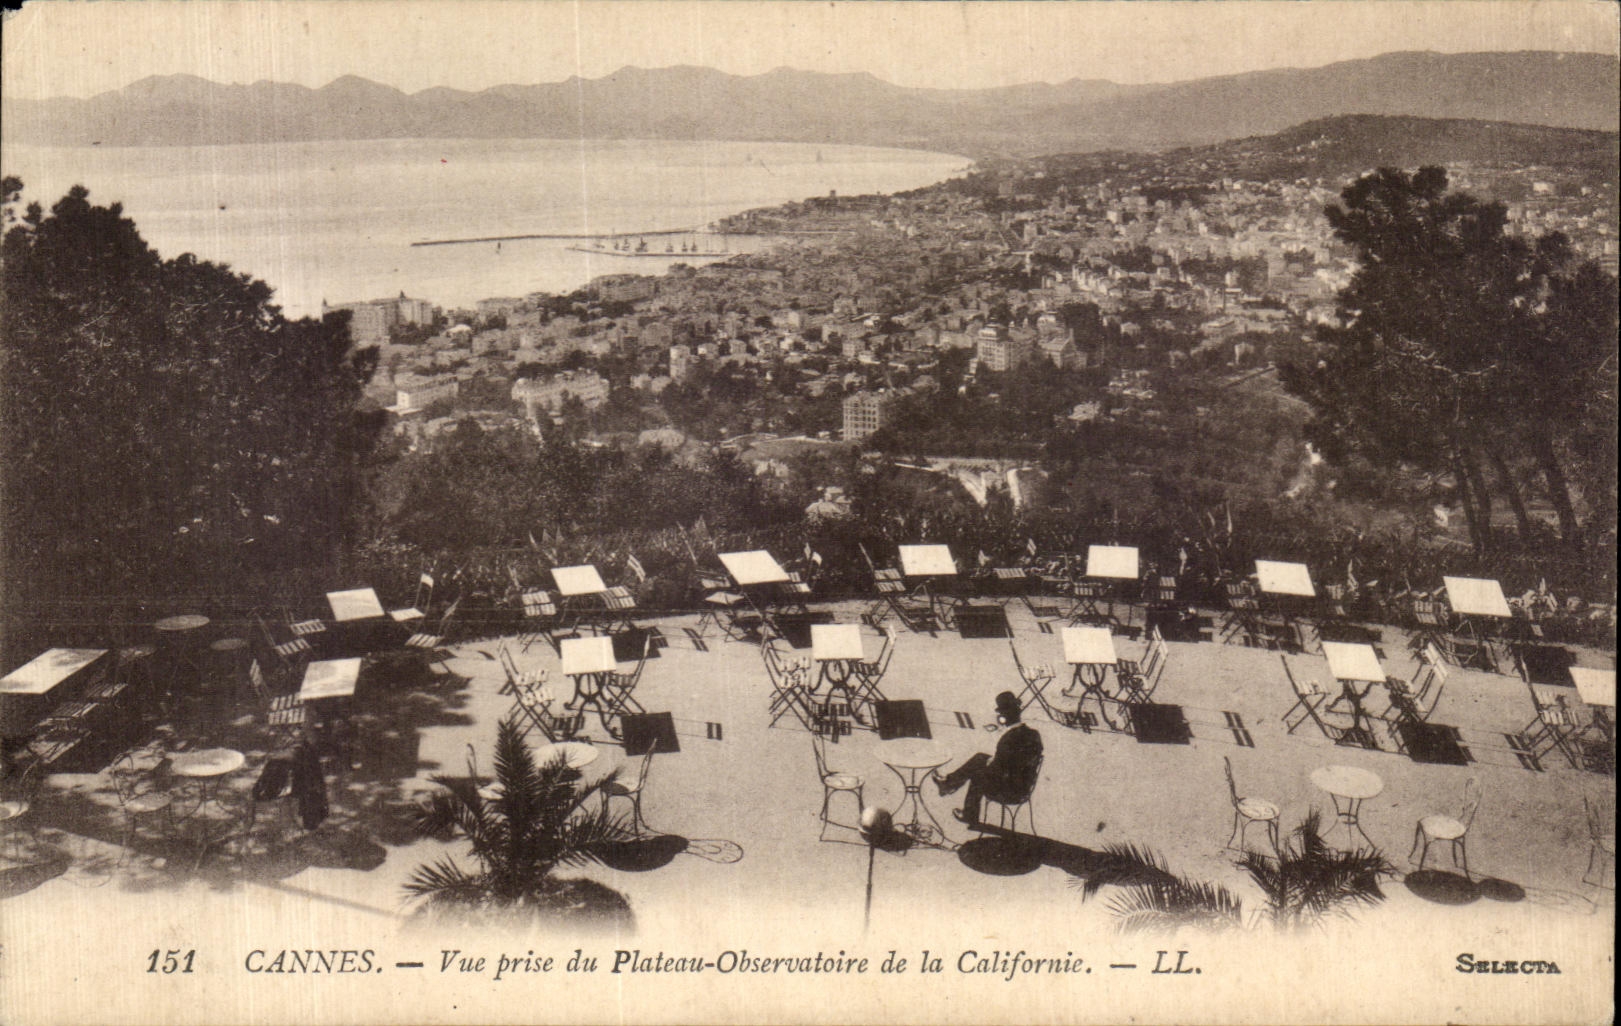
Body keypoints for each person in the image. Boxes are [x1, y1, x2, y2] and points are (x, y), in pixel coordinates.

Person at [935, 691, 1042, 826]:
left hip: (1010, 790)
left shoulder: (1008, 739)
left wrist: (992, 761)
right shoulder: (1033, 734)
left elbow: (998, 767)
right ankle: (949, 783)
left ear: (1002, 718)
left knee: (977, 775)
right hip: (1025, 784)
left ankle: (968, 812)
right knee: (981, 757)